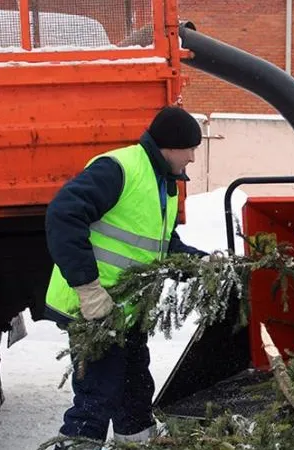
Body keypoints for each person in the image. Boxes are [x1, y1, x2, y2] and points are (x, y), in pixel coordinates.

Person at [43, 105, 208, 448]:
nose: (193, 157)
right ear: (171, 146)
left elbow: (159, 245)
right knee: (97, 395)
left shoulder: (163, 180)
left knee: (134, 388)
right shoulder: (120, 169)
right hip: (94, 307)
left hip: (126, 309)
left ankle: (136, 442)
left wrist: (200, 264)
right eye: (191, 148)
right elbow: (63, 214)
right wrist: (88, 290)